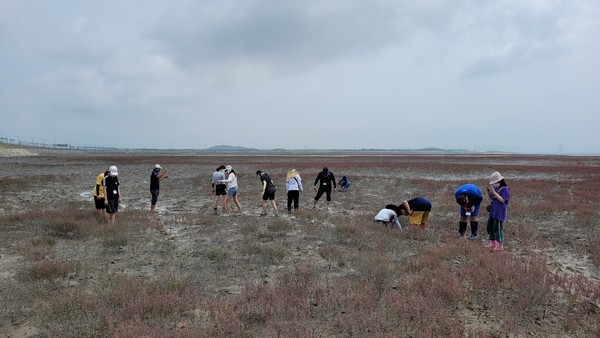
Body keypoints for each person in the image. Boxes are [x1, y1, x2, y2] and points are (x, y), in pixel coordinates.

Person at [485, 172, 510, 251]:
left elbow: (503, 200)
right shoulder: (496, 188)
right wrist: (489, 191)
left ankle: (499, 245)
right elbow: (491, 197)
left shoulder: (505, 189)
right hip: (493, 211)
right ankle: (492, 243)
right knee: (490, 227)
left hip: (499, 212)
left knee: (498, 228)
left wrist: (495, 192)